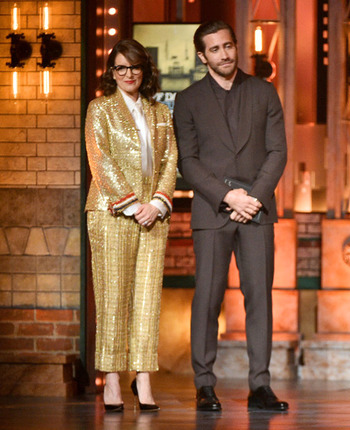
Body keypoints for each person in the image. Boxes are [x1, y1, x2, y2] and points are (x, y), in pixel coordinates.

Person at [173, 21, 288, 412]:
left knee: (259, 298)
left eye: (228, 46)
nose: (224, 54)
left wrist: (252, 198)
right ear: (202, 56)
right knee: (207, 299)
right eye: (215, 49)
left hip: (257, 211)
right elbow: (188, 162)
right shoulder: (187, 100)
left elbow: (277, 152)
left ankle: (260, 385)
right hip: (212, 211)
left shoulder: (264, 91)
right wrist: (227, 196)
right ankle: (204, 384)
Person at [85, 39, 178, 413]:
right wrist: (132, 204)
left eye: (135, 67)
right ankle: (110, 378)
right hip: (112, 213)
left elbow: (171, 158)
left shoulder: (159, 112)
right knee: (113, 296)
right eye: (121, 68)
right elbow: (100, 158)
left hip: (153, 215)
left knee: (146, 298)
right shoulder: (100, 109)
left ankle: (143, 378)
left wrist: (156, 203)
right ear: (112, 72)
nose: (128, 74)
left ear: (145, 70)